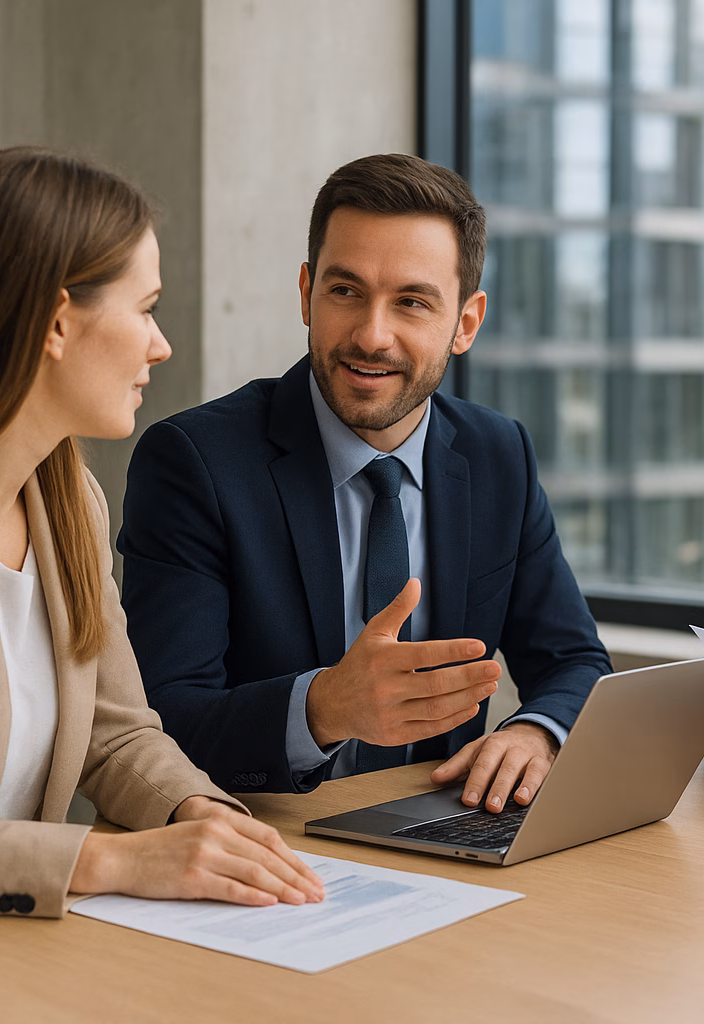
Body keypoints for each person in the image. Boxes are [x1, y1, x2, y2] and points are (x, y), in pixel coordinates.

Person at [0, 147, 323, 917]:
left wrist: (198, 817)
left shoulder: (70, 499)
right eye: (145, 309)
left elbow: (115, 735)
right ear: (55, 322)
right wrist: (111, 859)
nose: (160, 344)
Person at [119, 153, 611, 811]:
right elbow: (156, 725)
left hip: (438, 831)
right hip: (262, 843)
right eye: (345, 291)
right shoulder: (195, 462)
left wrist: (535, 732)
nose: (371, 336)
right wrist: (322, 708)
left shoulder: (499, 454)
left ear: (466, 323)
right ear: (305, 293)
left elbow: (575, 661)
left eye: (411, 302)